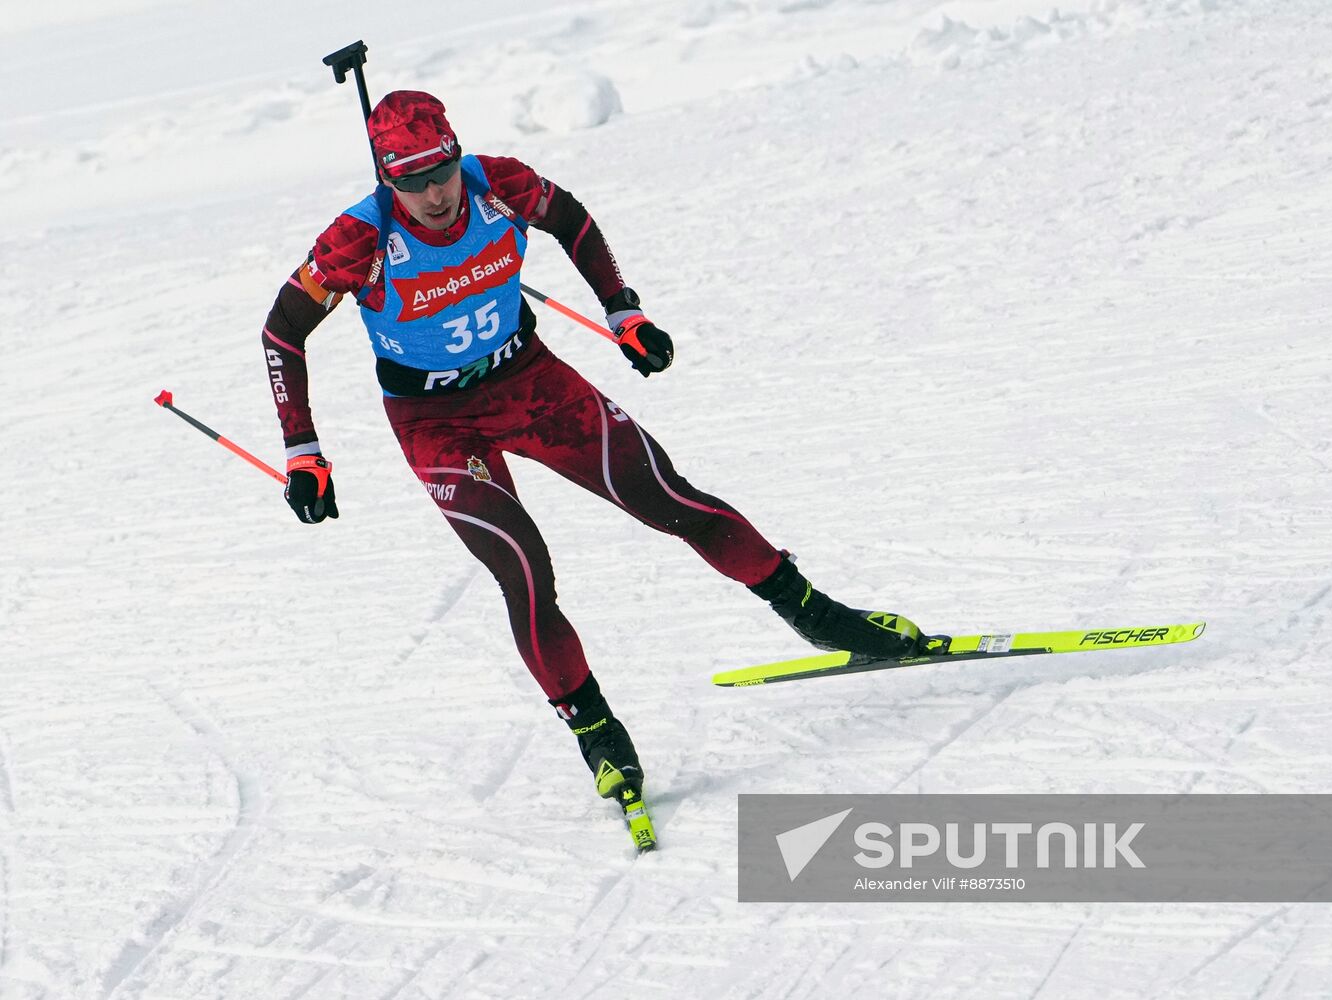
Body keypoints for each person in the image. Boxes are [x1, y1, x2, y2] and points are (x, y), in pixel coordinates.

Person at [261, 90, 944, 811]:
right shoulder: (356, 241)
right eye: (412, 181)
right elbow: (282, 331)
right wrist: (303, 449)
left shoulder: (500, 185)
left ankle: (822, 617)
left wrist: (624, 310)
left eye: (442, 171)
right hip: (436, 424)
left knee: (673, 501)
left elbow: (573, 220)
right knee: (523, 570)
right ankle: (597, 735)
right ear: (387, 180)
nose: (433, 194)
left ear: (458, 155)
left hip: (531, 381)